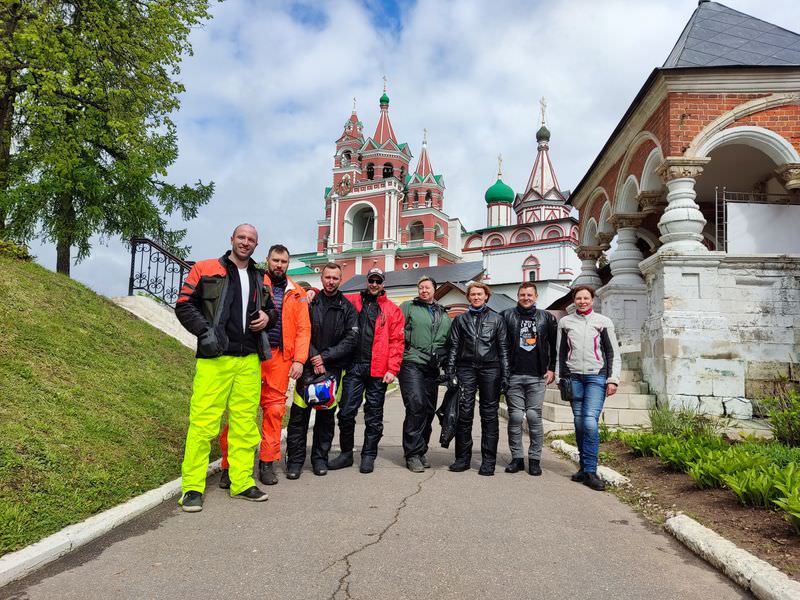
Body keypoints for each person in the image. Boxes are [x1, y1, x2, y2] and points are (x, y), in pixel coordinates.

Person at [174, 224, 277, 512]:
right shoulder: (205, 269)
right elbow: (184, 305)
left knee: (245, 425)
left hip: (249, 360)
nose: (245, 243)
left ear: (256, 245)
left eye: (251, 240)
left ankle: (241, 481)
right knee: (203, 423)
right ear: (231, 239)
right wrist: (205, 332)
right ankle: (192, 487)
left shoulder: (261, 277)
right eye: (241, 237)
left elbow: (272, 311)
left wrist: (268, 318)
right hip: (215, 360)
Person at [218, 244, 310, 487]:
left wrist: (299, 360)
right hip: (251, 354)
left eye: (284, 261)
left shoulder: (297, 292)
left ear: (288, 264)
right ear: (267, 260)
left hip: (280, 358)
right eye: (276, 260)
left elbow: (303, 329)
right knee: (241, 412)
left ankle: (267, 463)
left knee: (274, 412)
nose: (279, 265)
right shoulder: (254, 281)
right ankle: (231, 465)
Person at [285, 262, 359, 479]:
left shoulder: (347, 308)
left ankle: (319, 459)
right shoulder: (310, 302)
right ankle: (295, 462)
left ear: (340, 279)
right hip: (306, 368)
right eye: (327, 277)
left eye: (335, 278)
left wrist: (325, 357)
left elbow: (351, 339)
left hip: (332, 371)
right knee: (298, 418)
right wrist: (314, 356)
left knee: (325, 419)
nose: (331, 281)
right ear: (322, 277)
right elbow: (299, 331)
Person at [328, 267, 405, 474]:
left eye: (378, 281)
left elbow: (397, 342)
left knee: (373, 415)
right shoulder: (353, 301)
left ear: (383, 284)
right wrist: (311, 292)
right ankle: (345, 454)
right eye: (371, 280)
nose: (374, 284)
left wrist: (393, 368)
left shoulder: (392, 310)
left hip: (378, 370)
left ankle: (368, 455)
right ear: (366, 281)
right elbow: (331, 296)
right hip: (354, 366)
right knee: (345, 412)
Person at [556, 285, 621, 491]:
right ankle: (584, 468)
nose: (582, 301)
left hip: (596, 377)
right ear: (574, 301)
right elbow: (560, 351)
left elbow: (613, 353)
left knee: (590, 421)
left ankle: (591, 471)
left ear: (592, 300)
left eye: (586, 298)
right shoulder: (565, 322)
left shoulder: (603, 322)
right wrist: (559, 375)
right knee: (579, 422)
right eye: (578, 298)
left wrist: (613, 379)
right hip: (573, 377)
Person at [446, 281, 509, 476]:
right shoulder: (460, 320)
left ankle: (488, 461)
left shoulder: (497, 319)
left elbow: (503, 348)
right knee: (464, 414)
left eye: (479, 294)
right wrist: (450, 370)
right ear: (468, 297)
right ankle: (462, 458)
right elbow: (454, 346)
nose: (476, 297)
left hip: (491, 370)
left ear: (486, 296)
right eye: (472, 294)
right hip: (466, 369)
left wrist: (505, 375)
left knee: (489, 415)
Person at [501, 282, 557, 476]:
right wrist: (504, 371)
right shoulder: (506, 316)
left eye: (529, 295)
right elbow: (501, 345)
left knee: (534, 416)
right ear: (518, 296)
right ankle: (517, 458)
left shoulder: (546, 318)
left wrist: (551, 368)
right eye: (522, 294)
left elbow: (553, 346)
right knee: (515, 417)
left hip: (537, 375)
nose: (526, 297)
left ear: (536, 296)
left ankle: (534, 459)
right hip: (513, 375)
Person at [399, 276, 452, 472]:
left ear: (434, 290)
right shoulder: (409, 307)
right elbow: (396, 331)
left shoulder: (443, 313)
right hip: (411, 362)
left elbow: (448, 341)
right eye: (420, 287)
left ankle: (421, 450)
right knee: (416, 404)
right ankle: (411, 454)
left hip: (432, 366)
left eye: (427, 287)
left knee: (429, 409)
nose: (423, 290)